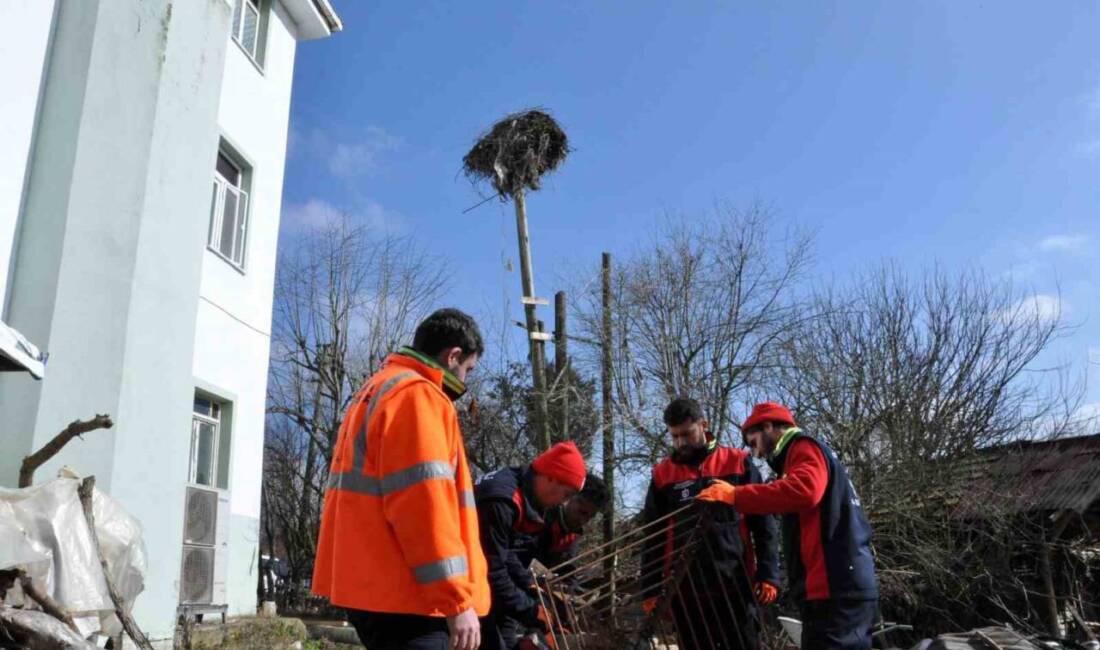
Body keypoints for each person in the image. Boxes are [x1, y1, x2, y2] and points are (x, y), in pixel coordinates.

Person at [312, 308, 489, 650]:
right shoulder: (418, 396)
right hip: (410, 599)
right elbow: (424, 507)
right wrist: (456, 600)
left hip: (380, 590)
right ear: (452, 356)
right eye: (467, 370)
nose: (465, 383)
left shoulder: (378, 388)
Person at [698, 402, 879, 650]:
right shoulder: (808, 455)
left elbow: (805, 491)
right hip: (844, 582)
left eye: (754, 443)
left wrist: (736, 496)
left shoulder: (803, 447)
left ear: (768, 426)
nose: (757, 454)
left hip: (833, 586)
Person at [640, 398, 780, 650]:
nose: (680, 442)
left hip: (735, 583)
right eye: (674, 436)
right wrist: (649, 588)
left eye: (687, 434)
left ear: (703, 425)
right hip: (685, 589)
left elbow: (764, 523)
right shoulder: (663, 476)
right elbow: (653, 536)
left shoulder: (737, 462)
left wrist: (769, 574)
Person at [475, 441, 588, 650]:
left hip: (487, 595)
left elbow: (505, 552)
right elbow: (492, 570)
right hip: (466, 595)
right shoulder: (502, 500)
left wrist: (530, 584)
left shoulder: (521, 491)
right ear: (551, 477)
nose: (564, 503)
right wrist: (533, 611)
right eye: (566, 495)